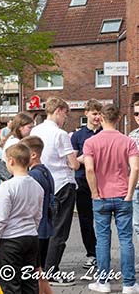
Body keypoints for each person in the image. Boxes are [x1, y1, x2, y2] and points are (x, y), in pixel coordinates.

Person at [83, 104, 139, 294]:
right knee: (126, 240)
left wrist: (94, 192)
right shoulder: (128, 141)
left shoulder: (91, 142)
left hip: (101, 195)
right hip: (123, 194)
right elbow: (136, 168)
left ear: (101, 118)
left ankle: (103, 281)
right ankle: (129, 284)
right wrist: (130, 193)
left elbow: (89, 169)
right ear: (117, 119)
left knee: (103, 240)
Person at [30, 97, 80, 286]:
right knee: (60, 230)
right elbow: (73, 164)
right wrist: (79, 159)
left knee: (43, 226)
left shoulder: (35, 130)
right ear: (59, 110)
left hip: (41, 183)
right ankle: (52, 270)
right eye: (65, 113)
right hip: (62, 184)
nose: (65, 118)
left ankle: (40, 268)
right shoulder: (60, 134)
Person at [0, 143, 43, 294]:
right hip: (31, 238)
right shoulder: (38, 186)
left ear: (11, 161)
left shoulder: (7, 186)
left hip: (11, 241)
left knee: (11, 283)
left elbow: (1, 218)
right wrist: (32, 229)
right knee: (30, 283)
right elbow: (38, 215)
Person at [70, 99, 102, 269]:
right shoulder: (78, 135)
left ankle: (103, 252)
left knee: (102, 219)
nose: (97, 117)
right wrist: (87, 156)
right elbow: (73, 161)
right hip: (82, 181)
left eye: (99, 114)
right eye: (94, 113)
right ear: (86, 113)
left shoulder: (106, 132)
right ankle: (91, 253)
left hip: (103, 180)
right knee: (85, 220)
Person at [22, 136, 55, 294]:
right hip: (46, 226)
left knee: (35, 271)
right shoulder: (46, 171)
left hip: (37, 228)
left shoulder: (34, 176)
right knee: (39, 269)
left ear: (33, 154)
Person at [129, 100, 139, 271]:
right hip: (137, 186)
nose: (138, 117)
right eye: (136, 113)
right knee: (137, 224)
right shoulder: (132, 136)